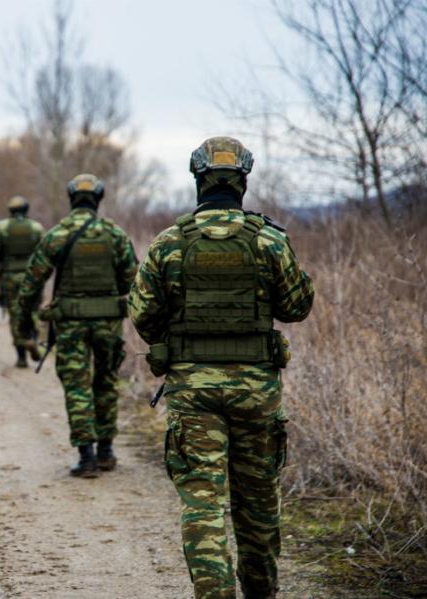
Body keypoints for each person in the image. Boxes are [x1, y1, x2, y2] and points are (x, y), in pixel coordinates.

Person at [128, 137, 314, 598]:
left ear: (198, 179)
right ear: (243, 181)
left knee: (203, 504)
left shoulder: (170, 242)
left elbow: (143, 314)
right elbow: (297, 307)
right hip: (256, 392)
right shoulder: (269, 239)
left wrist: (175, 338)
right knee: (258, 503)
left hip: (192, 392)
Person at [18, 174, 138, 477]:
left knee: (77, 386)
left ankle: (86, 458)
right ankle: (106, 451)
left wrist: (26, 319)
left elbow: (32, 282)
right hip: (109, 323)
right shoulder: (114, 234)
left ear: (71, 199)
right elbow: (132, 280)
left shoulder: (58, 234)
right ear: (98, 199)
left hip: (71, 324)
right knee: (106, 381)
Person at [0, 195, 45, 368]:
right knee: (33, 310)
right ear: (26, 209)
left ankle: (21, 356)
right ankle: (33, 339)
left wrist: (2, 263)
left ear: (10, 210)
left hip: (10, 277)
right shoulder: (36, 227)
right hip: (32, 276)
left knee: (15, 312)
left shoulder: (2, 227)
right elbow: (45, 252)